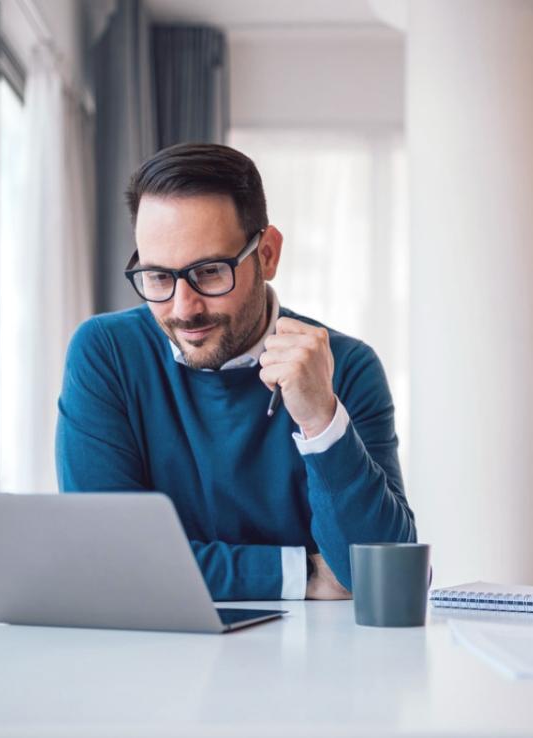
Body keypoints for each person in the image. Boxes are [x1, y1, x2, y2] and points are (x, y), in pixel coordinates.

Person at [55, 143, 416, 601]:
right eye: (158, 277)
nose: (184, 309)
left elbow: (386, 576)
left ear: (266, 254)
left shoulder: (346, 366)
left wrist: (321, 421)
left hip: (315, 665)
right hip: (153, 659)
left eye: (208, 272)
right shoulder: (106, 353)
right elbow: (106, 559)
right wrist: (300, 574)